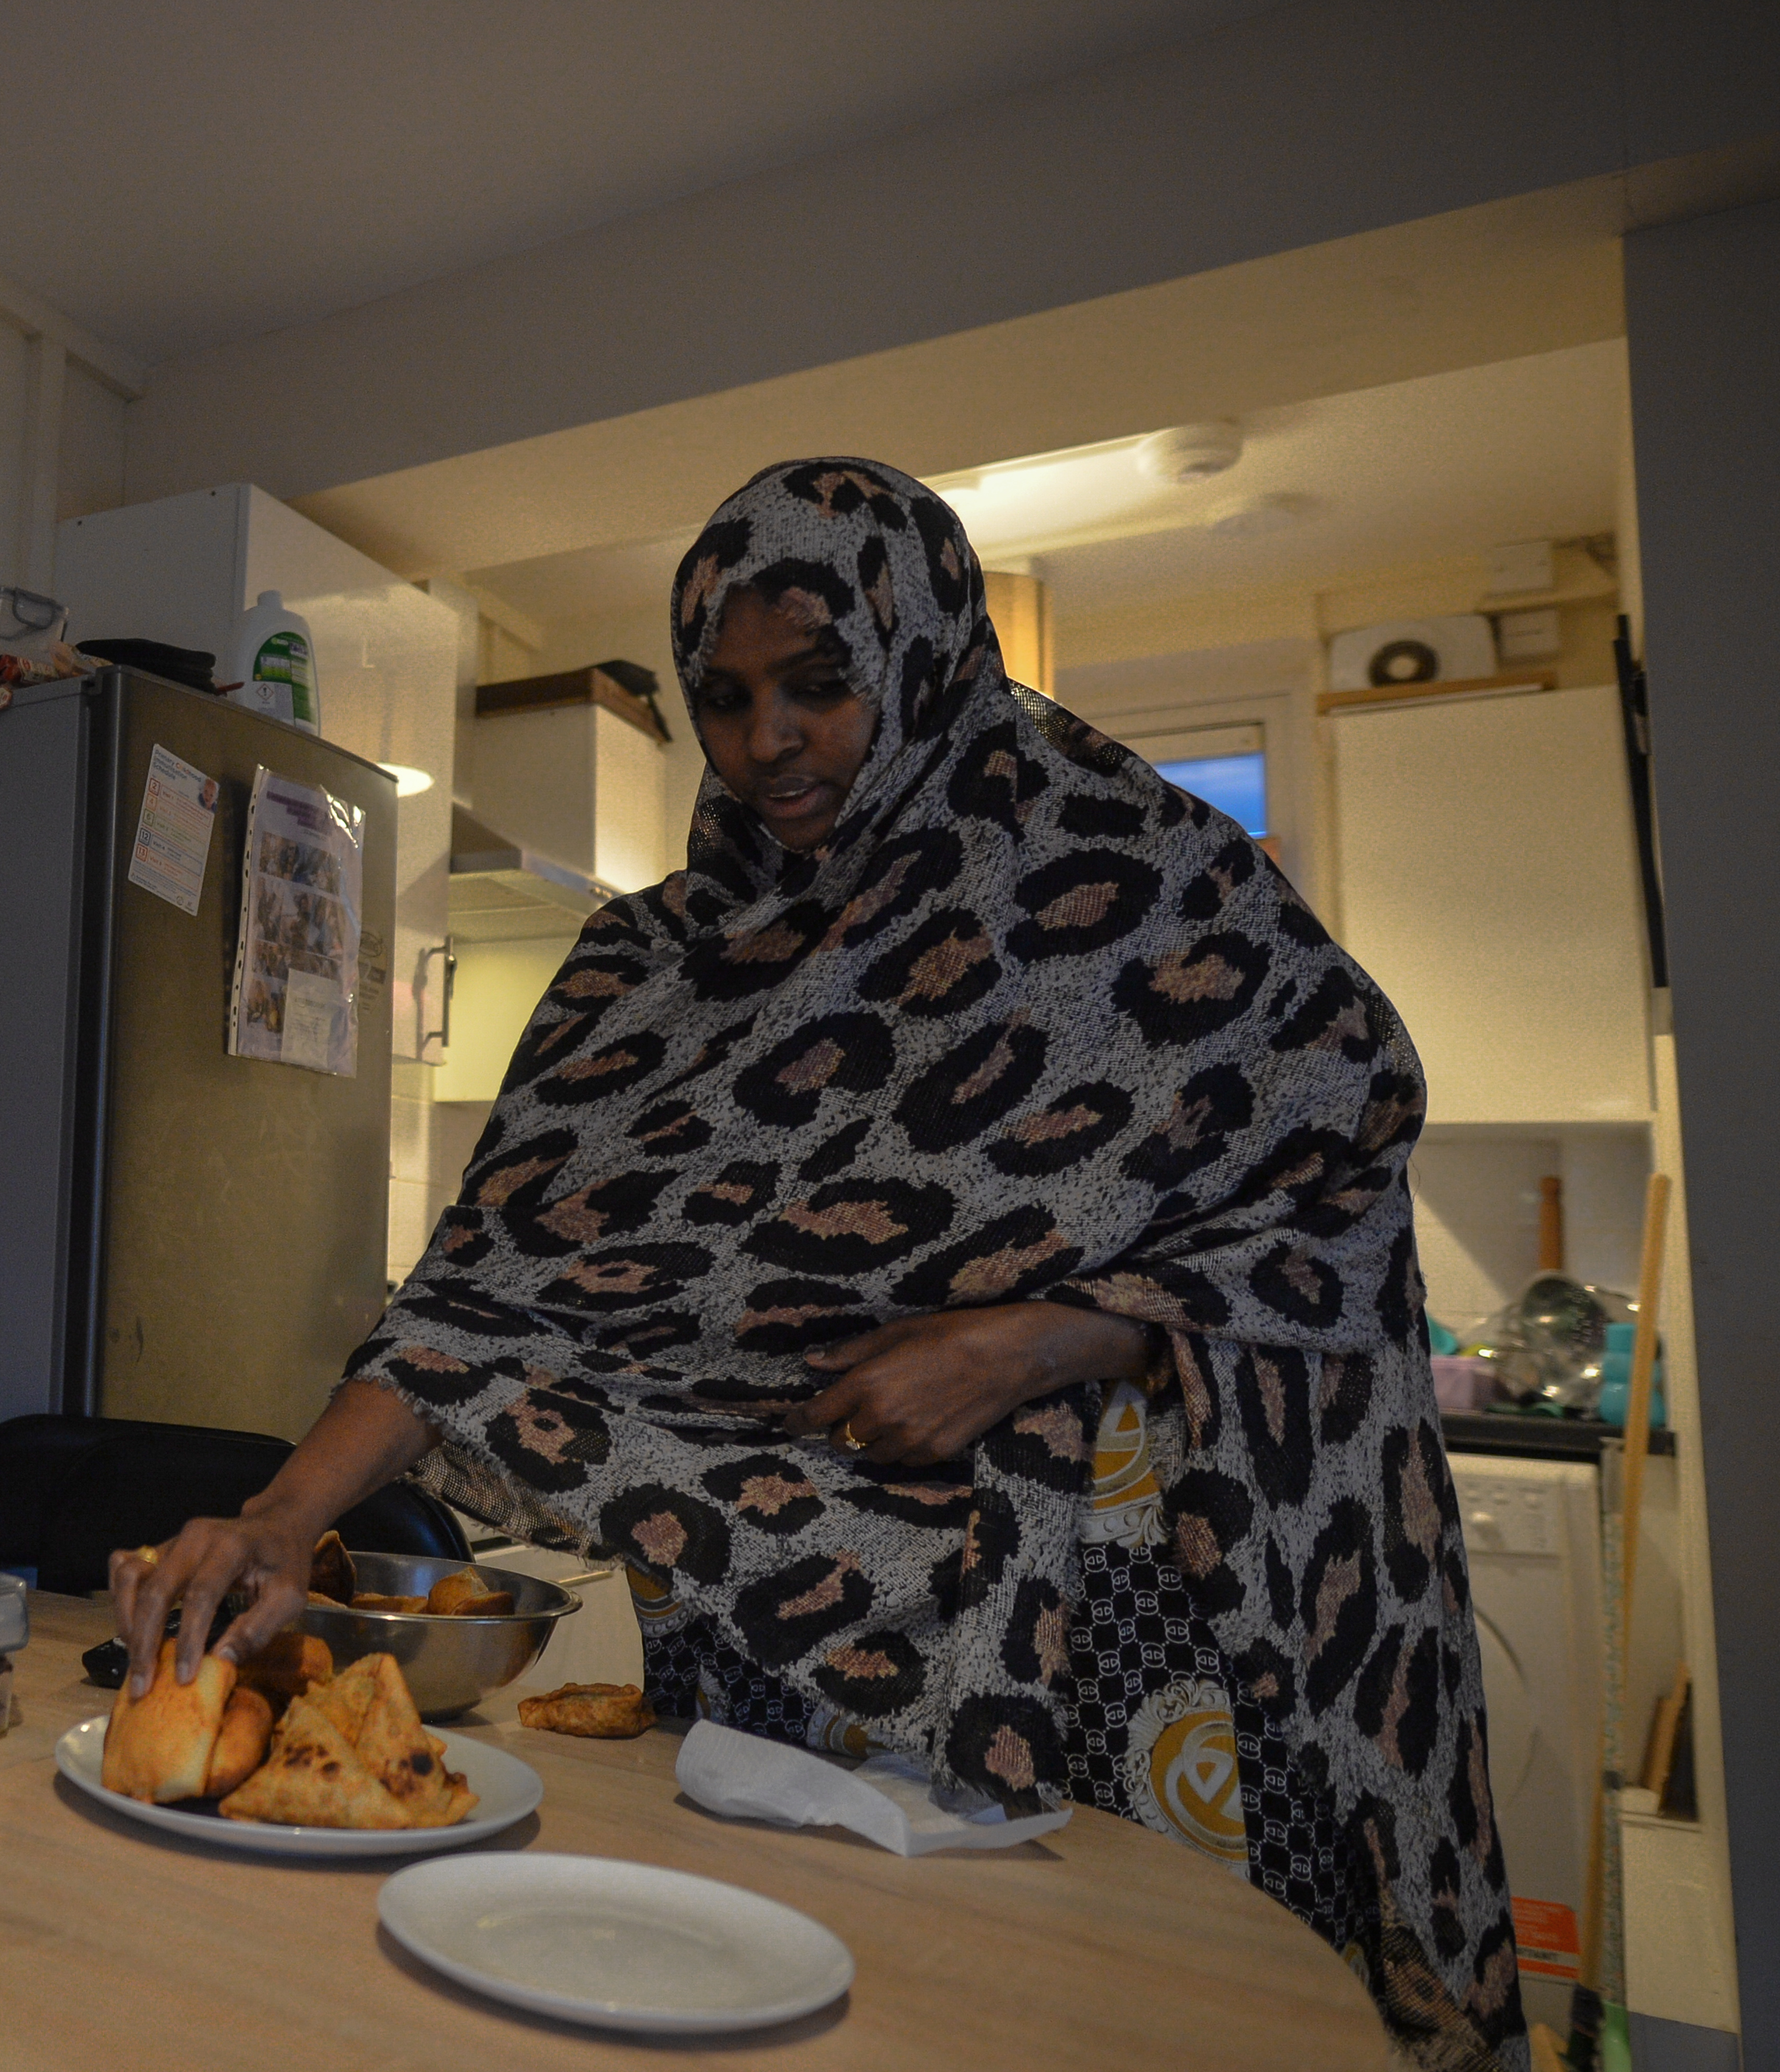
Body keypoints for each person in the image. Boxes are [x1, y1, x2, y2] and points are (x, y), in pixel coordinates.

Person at [116, 458, 1520, 2068]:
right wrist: (284, 1516)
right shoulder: (647, 972)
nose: (762, 740)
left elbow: (1334, 1169)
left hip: (1127, 1641)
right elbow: (473, 1307)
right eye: (719, 696)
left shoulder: (1137, 891)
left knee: (1110, 2015)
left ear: (921, 653)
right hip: (782, 1649)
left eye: (816, 682)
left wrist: (1045, 1340)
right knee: (816, 2018)